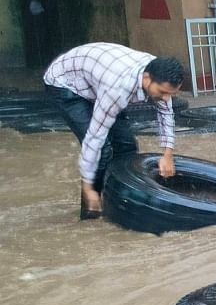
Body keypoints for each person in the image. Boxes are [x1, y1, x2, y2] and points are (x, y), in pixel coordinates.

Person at [44, 43, 184, 219]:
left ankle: (120, 203)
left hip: (98, 77)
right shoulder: (117, 90)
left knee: (126, 146)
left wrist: (167, 154)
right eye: (163, 92)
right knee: (103, 150)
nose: (166, 98)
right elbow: (94, 139)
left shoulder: (159, 74)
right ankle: (91, 212)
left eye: (170, 94)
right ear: (147, 79)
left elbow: (165, 113)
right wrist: (88, 186)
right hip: (66, 84)